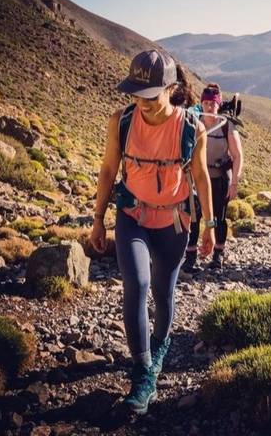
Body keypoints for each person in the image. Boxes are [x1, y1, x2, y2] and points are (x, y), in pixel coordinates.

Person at [89, 49, 215, 415]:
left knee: (163, 291)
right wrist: (98, 218)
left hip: (175, 223)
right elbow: (109, 169)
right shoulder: (121, 121)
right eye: (134, 93)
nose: (140, 102)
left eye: (149, 94)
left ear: (170, 88)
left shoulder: (192, 129)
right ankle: (143, 371)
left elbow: (202, 178)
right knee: (138, 285)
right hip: (132, 216)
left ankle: (158, 345)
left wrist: (209, 224)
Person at [183, 83, 243, 270]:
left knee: (219, 216)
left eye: (213, 103)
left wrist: (234, 183)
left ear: (218, 104)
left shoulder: (227, 126)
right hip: (197, 176)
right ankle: (191, 255)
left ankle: (218, 253)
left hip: (220, 177)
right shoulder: (194, 122)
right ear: (202, 103)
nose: (209, 106)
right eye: (206, 103)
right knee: (194, 215)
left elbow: (237, 155)